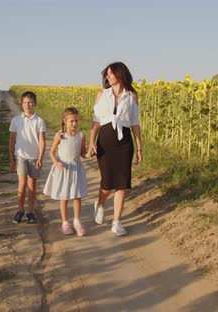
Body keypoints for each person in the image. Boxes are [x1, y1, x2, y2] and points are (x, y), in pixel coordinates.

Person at [87, 62, 142, 236]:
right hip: (105, 141)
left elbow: (135, 123)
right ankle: (101, 204)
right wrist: (91, 142)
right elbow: (96, 121)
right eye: (107, 74)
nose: (108, 77)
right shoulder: (102, 94)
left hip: (124, 143)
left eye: (111, 74)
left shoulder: (131, 95)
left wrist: (139, 147)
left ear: (120, 74)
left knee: (122, 184)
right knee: (107, 183)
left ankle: (117, 222)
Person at [43, 107, 88, 236]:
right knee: (64, 196)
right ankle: (65, 222)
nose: (75, 124)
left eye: (76, 121)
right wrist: (56, 162)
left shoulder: (81, 136)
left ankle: (77, 221)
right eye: (72, 121)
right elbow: (51, 152)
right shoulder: (60, 135)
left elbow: (83, 153)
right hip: (63, 169)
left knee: (77, 195)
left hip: (75, 169)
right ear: (65, 121)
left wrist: (90, 154)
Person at [9, 91, 47, 224]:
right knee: (22, 184)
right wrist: (12, 159)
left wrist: (41, 158)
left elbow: (42, 141)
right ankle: (20, 210)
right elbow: (12, 141)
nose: (27, 105)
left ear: (35, 104)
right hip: (21, 156)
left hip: (34, 157)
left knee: (32, 186)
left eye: (30, 102)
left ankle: (30, 212)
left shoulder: (39, 121)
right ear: (21, 104)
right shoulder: (16, 120)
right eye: (25, 102)